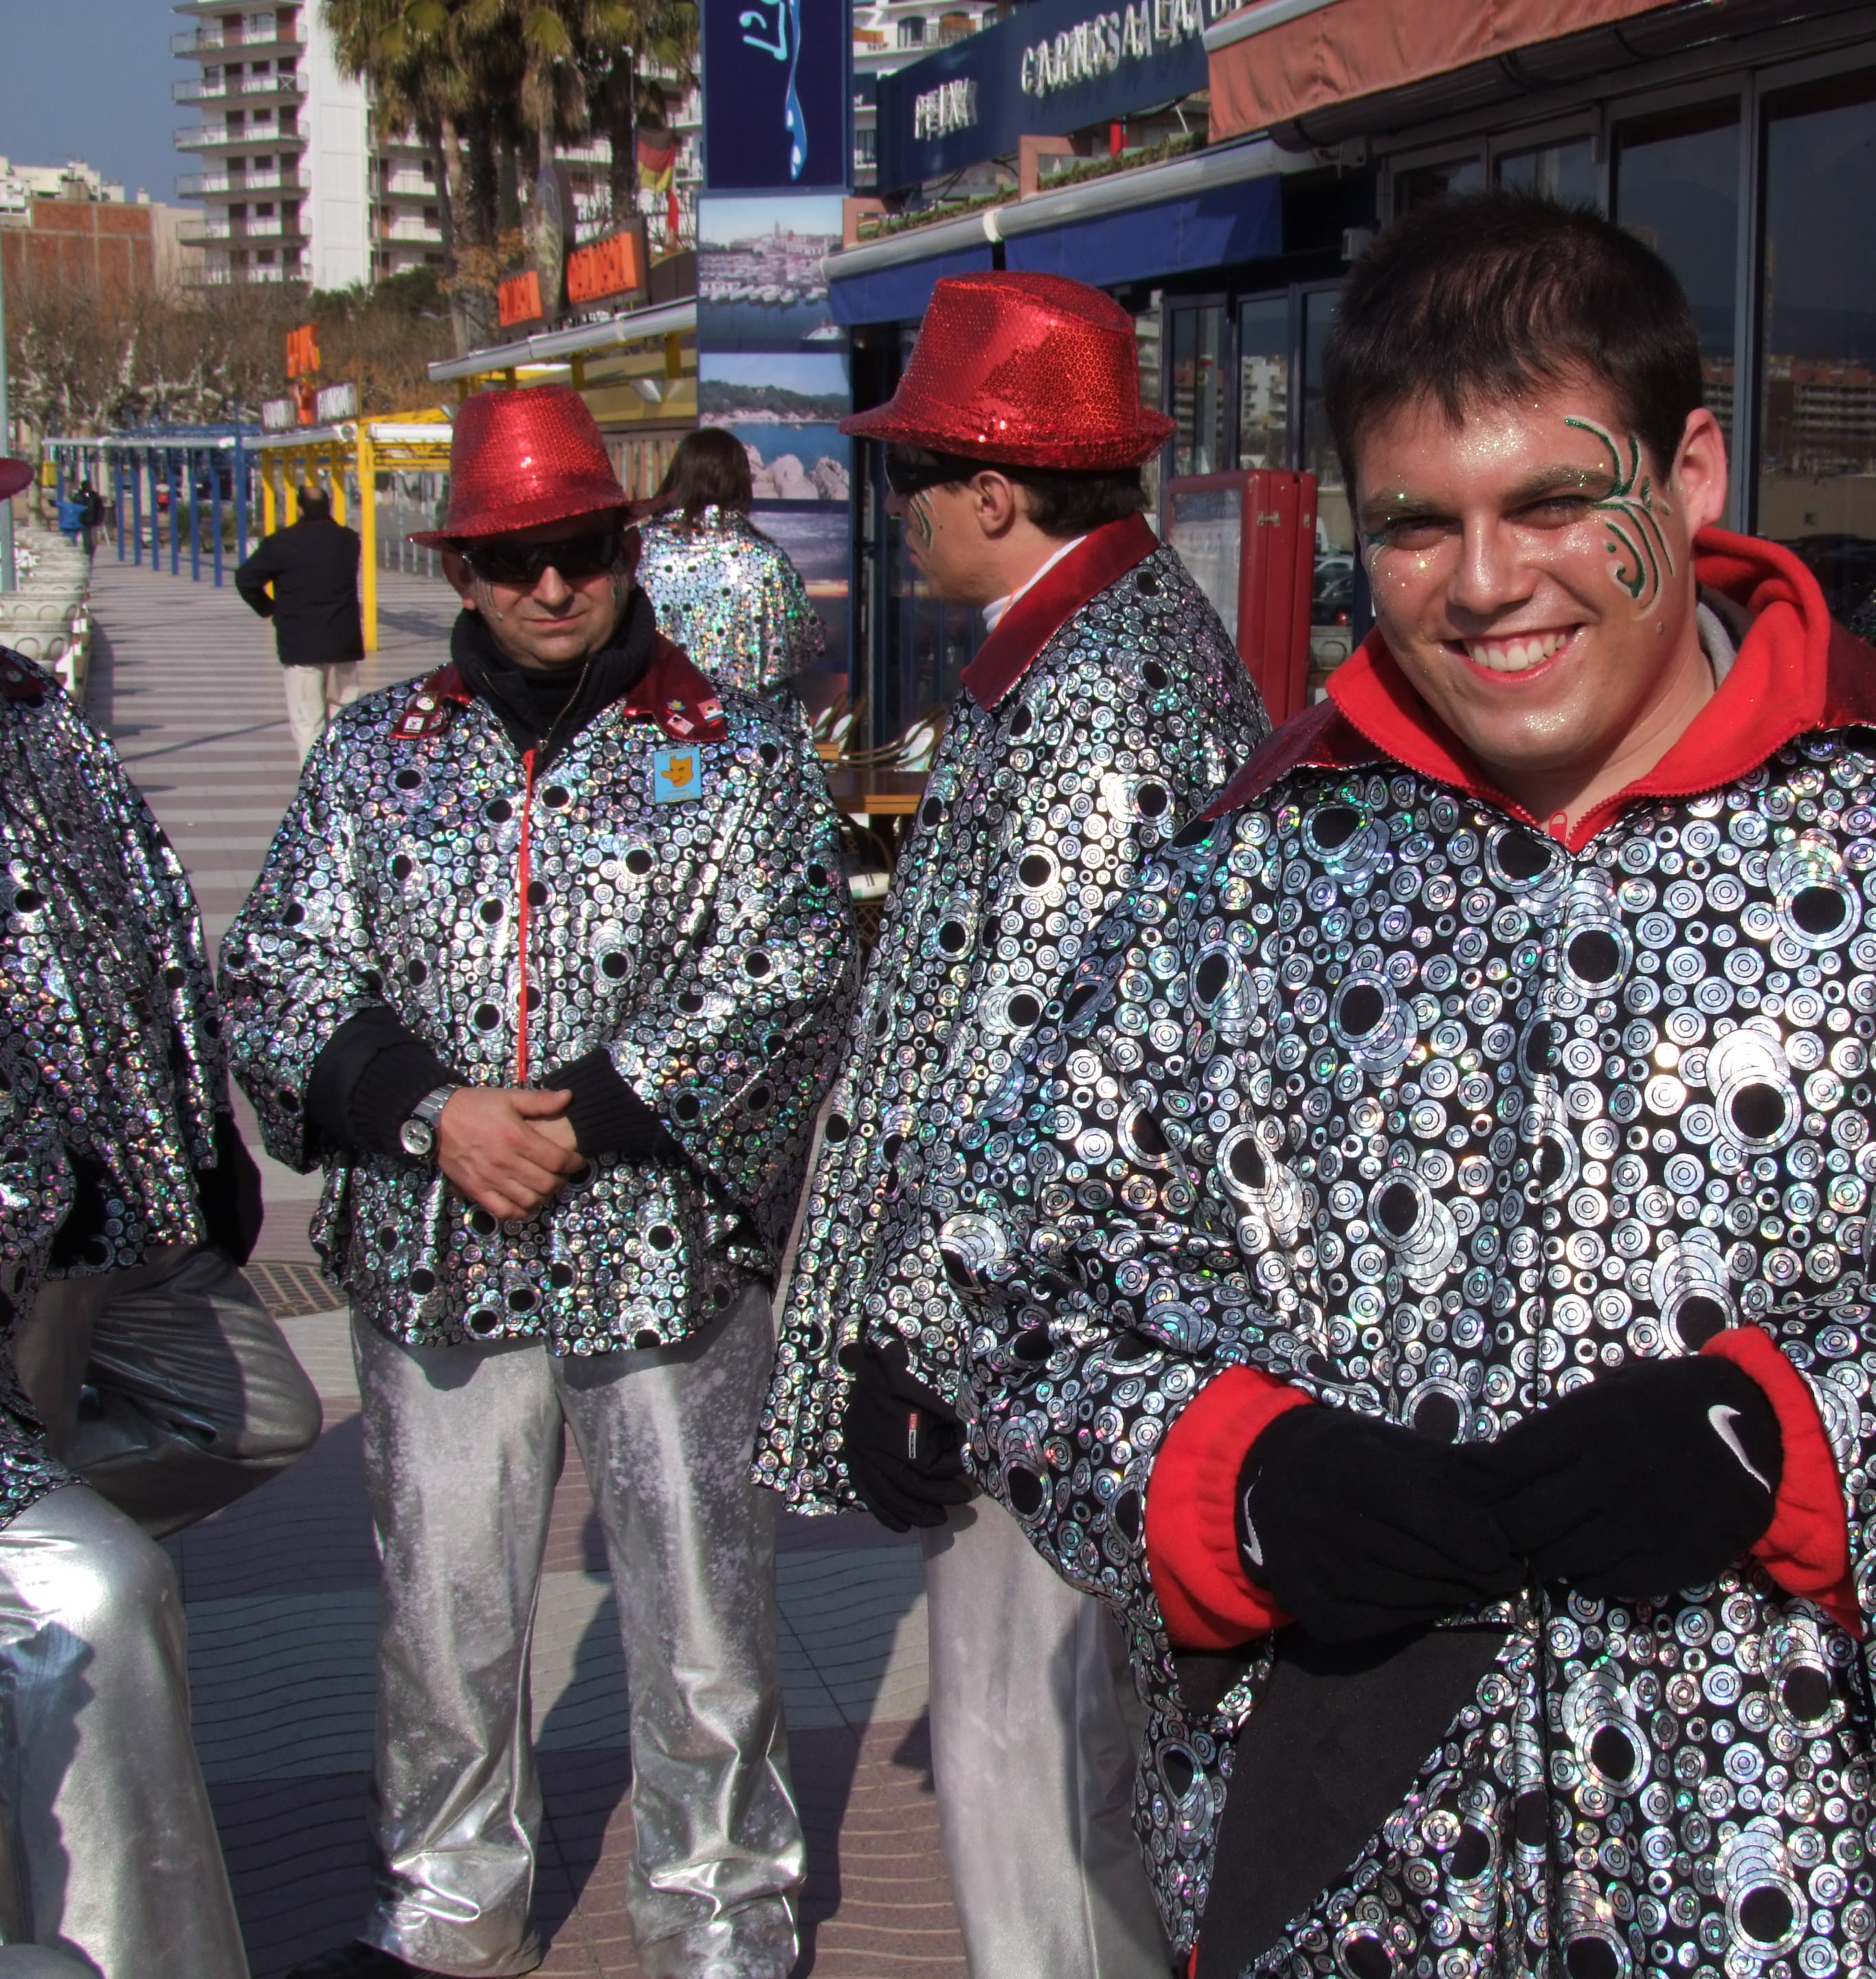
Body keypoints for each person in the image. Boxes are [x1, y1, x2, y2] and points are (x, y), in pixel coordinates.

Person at [936, 194, 1876, 1978]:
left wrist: (1803, 1442)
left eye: (1553, 503)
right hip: (1373, 1896)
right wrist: (1238, 1476)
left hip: (1858, 1898)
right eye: (1417, 525)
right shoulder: (1239, 881)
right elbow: (1023, 1289)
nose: (1487, 582)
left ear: (1692, 475)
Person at [219, 385, 860, 1979]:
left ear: (626, 544)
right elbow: (277, 969)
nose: (554, 584)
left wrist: (584, 1116)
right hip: (434, 1246)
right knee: (443, 1607)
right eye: (515, 559)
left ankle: (719, 1911)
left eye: (580, 548)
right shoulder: (373, 754)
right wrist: (428, 1111)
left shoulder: (739, 752)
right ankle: (452, 1901)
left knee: (704, 1610)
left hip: (663, 1249)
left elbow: (794, 968)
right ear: (461, 568)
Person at [751, 271, 1269, 1979]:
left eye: (911, 473)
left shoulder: (1095, 694)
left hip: (1045, 1344)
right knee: (1057, 1751)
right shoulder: (1099, 652)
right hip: (1053, 1333)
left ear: (992, 489)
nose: (896, 511)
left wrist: (922, 1343)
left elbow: (1047, 1077)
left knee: (1022, 1749)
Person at [0, 448, 258, 1978]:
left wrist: (201, 1142)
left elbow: (156, 927)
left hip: (100, 1244)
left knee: (252, 1415)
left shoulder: (42, 727)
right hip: (31, 1239)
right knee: (82, 1605)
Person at [635, 429, 825, 695]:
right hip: (750, 717)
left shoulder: (639, 552)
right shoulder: (767, 560)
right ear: (740, 482)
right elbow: (806, 643)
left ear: (677, 477)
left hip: (659, 714)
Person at [236, 484, 368, 761]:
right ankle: (344, 772)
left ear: (298, 509)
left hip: (300, 643)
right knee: (345, 713)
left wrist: (270, 609)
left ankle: (314, 780)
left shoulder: (282, 543)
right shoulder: (348, 541)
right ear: (329, 507)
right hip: (343, 641)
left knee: (309, 721)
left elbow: (246, 579)